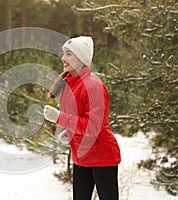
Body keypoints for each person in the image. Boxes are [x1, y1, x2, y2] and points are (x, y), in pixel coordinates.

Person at [43, 36, 121, 200]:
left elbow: (93, 127)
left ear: (82, 58)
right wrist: (70, 133)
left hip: (102, 157)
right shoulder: (71, 84)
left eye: (69, 54)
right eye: (64, 53)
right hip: (82, 157)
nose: (63, 58)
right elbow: (78, 118)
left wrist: (59, 118)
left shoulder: (93, 86)